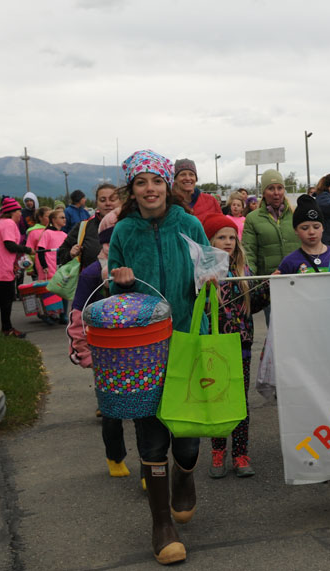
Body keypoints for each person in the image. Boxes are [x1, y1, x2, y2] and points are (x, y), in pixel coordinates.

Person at [109, 149, 210, 565]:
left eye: (156, 181)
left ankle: (185, 475)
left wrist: (212, 273)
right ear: (132, 190)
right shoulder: (124, 232)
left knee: (185, 438)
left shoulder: (189, 224)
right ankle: (160, 525)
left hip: (188, 338)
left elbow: (209, 266)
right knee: (150, 435)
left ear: (168, 185)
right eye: (140, 183)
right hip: (141, 349)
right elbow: (113, 288)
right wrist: (120, 281)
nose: (149, 189)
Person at [67, 208, 143, 483]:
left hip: (139, 350)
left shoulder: (140, 268)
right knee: (111, 408)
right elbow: (78, 313)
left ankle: (151, 463)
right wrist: (83, 351)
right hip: (105, 353)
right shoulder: (92, 274)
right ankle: (115, 455)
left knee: (144, 406)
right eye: (111, 242)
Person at [200, 213, 270, 479]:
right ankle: (218, 451)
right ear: (210, 240)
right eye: (221, 237)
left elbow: (255, 304)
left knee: (240, 402)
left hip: (241, 343)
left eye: (231, 237)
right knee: (217, 399)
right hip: (212, 344)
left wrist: (270, 284)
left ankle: (241, 453)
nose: (228, 242)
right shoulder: (201, 270)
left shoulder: (243, 269)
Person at [242, 169, 299, 325]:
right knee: (276, 333)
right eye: (271, 188)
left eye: (279, 188)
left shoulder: (296, 215)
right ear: (263, 192)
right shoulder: (252, 219)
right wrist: (249, 279)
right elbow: (249, 252)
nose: (276, 193)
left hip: (298, 282)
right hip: (270, 285)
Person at [0, 198, 34, 337]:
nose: (20, 214)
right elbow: (9, 245)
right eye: (18, 211)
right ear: (11, 212)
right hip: (2, 268)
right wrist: (28, 250)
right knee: (6, 299)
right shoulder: (9, 224)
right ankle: (7, 328)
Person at [57, 183, 120, 271]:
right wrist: (71, 254)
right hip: (90, 283)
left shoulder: (130, 226)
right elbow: (62, 252)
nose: (108, 203)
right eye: (102, 200)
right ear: (96, 203)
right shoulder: (83, 227)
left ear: (120, 201)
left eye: (112, 199)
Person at [277, 195, 330, 274]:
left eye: (316, 227)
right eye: (305, 228)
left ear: (323, 228)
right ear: (295, 230)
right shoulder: (289, 262)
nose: (311, 232)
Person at [172, 158, 221, 222]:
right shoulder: (168, 203)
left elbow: (222, 225)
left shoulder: (211, 201)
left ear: (196, 178)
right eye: (183, 174)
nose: (188, 178)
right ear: (175, 179)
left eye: (191, 174)